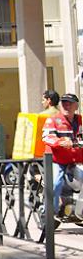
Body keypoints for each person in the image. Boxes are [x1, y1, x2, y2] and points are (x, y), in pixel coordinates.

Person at [41, 93, 83, 222]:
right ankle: (50, 213)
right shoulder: (53, 120)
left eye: (69, 103)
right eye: (64, 102)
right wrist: (60, 142)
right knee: (54, 183)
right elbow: (46, 137)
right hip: (57, 160)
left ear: (76, 106)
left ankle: (80, 210)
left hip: (76, 159)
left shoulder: (80, 120)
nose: (66, 105)